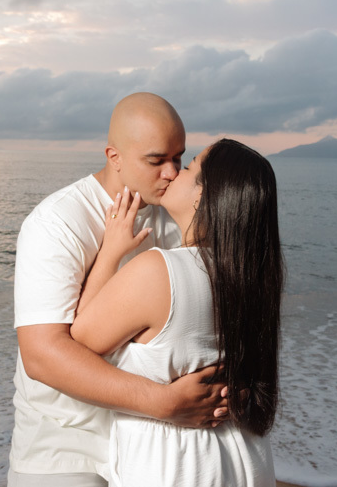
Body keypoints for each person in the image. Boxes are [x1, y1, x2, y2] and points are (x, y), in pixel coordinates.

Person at [9, 93, 228, 487]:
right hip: (65, 446)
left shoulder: (178, 215)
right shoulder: (58, 221)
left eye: (179, 157)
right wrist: (162, 403)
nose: (171, 172)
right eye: (156, 160)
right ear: (115, 157)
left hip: (152, 445)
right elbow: (41, 356)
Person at [71, 138, 283, 486]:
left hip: (178, 466)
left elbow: (79, 341)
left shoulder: (159, 271)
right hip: (246, 458)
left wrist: (110, 252)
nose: (172, 173)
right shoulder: (253, 279)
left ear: (204, 195)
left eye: (188, 167)